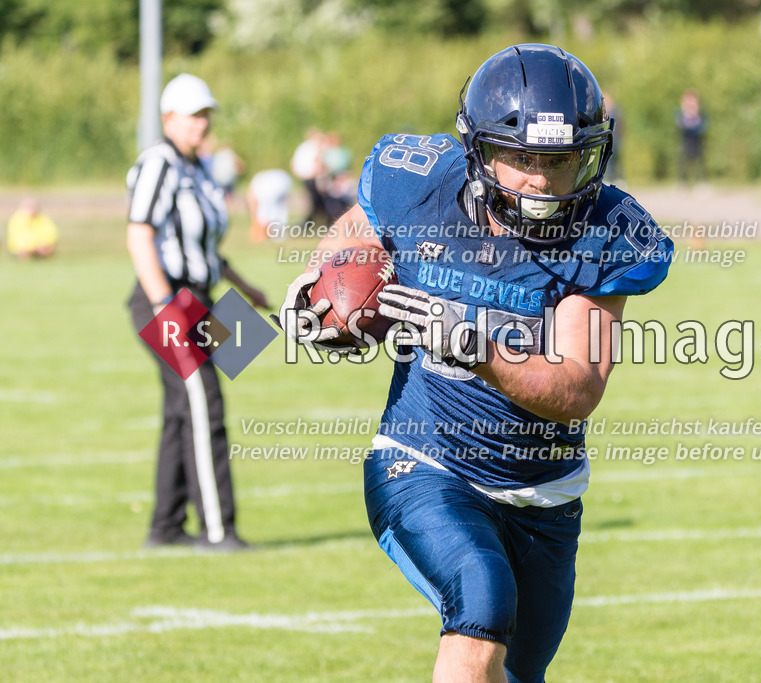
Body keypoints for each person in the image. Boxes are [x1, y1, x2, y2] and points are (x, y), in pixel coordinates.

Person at [275, 44, 673, 681]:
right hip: (425, 460)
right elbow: (348, 250)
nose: (542, 180)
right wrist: (314, 297)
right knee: (481, 600)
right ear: (479, 151)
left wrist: (476, 347)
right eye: (522, 158)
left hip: (544, 492)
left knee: (518, 671)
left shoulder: (605, 231)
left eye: (561, 160)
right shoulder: (419, 181)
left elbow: (575, 387)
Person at [126, 73, 267, 550]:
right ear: (168, 119)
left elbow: (204, 245)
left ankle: (165, 528)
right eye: (193, 115)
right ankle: (217, 529)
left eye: (207, 114)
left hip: (203, 297)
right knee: (204, 403)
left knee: (181, 409)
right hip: (166, 298)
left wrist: (245, 287)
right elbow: (140, 234)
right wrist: (163, 303)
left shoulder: (202, 168)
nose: (203, 123)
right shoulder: (158, 163)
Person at [246, 168, 293, 242]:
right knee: (280, 208)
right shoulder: (257, 182)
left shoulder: (256, 189)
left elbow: (254, 205)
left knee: (266, 211)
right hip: (286, 179)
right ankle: (278, 234)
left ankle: (264, 234)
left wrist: (255, 221)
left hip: (275, 184)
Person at [675, 88, 708, 186]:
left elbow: (702, 127)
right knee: (682, 161)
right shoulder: (680, 114)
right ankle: (682, 182)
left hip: (697, 141)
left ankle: (701, 181)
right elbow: (681, 126)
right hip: (685, 141)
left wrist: (695, 115)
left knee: (701, 161)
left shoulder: (701, 114)